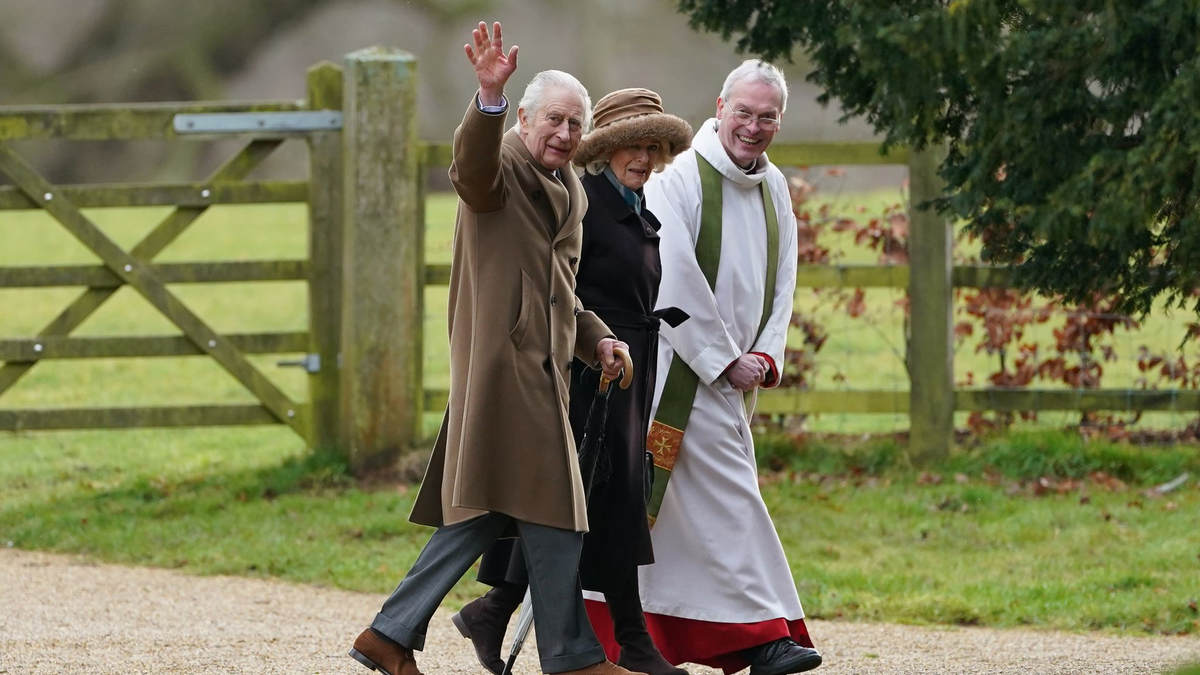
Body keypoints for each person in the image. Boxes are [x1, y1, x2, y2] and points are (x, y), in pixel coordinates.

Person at [347, 21, 639, 675]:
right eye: (553, 120)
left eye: (574, 124)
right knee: (558, 506)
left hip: (543, 372)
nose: (564, 134)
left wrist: (598, 339)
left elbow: (559, 291)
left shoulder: (568, 190)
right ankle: (571, 656)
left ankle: (388, 633)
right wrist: (487, 100)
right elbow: (469, 169)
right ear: (525, 119)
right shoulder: (502, 168)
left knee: (492, 511)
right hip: (506, 372)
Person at [584, 60, 823, 675]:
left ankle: (621, 636)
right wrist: (722, 361)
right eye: (743, 112)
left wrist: (767, 355)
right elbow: (675, 278)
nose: (753, 126)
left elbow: (784, 281)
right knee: (730, 501)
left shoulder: (775, 189)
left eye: (767, 116)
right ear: (720, 107)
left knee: (677, 523)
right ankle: (765, 636)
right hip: (678, 375)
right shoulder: (680, 178)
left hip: (737, 379)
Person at [450, 89, 693, 675]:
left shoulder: (629, 203)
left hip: (624, 365)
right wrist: (589, 343)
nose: (644, 156)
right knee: (578, 503)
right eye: (633, 144)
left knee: (599, 502)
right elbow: (556, 283)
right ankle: (617, 642)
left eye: (654, 146)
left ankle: (498, 609)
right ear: (605, 148)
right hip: (582, 377)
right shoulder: (586, 202)